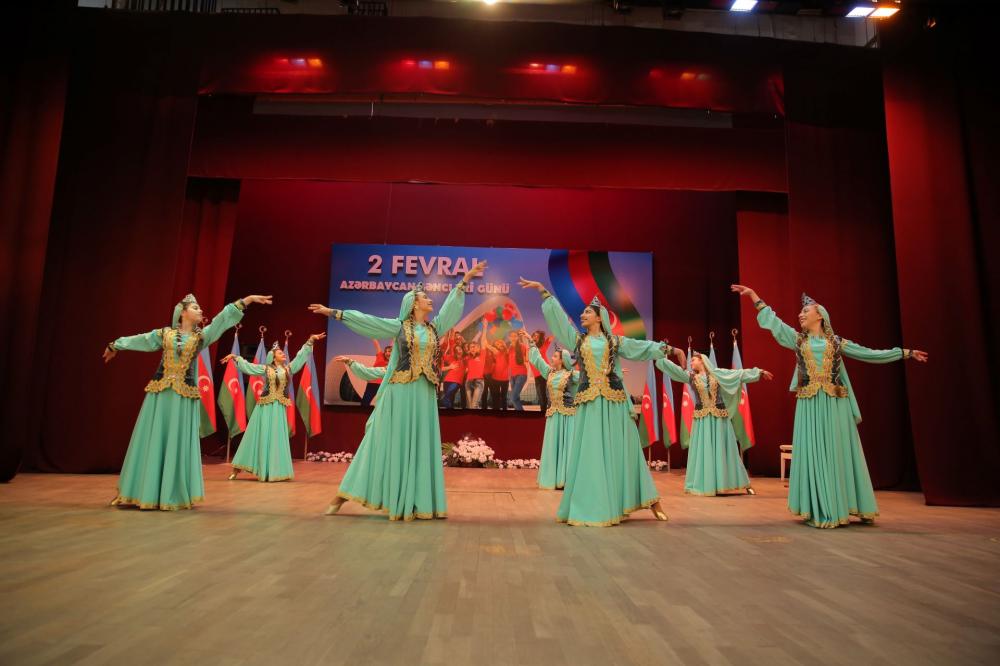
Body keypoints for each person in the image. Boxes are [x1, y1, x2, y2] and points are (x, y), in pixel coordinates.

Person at [732, 285, 928, 528]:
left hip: (835, 404)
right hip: (809, 405)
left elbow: (869, 354)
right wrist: (754, 297)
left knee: (836, 451)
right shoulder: (798, 340)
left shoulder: (836, 342)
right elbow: (775, 324)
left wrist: (905, 353)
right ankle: (821, 507)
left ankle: (843, 504)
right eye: (800, 312)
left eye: (805, 311)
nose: (800, 315)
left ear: (820, 316)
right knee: (813, 451)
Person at [309, 262, 486, 520]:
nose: (429, 299)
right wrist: (335, 313)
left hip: (424, 395)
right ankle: (343, 495)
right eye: (425, 297)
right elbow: (369, 322)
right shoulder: (399, 327)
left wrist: (465, 279)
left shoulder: (434, 328)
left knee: (420, 446)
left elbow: (451, 309)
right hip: (400, 393)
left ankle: (417, 502)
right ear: (414, 304)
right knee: (382, 442)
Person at [519, 278, 669, 526]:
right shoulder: (578, 341)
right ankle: (595, 503)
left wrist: (665, 349)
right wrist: (544, 293)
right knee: (590, 450)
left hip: (614, 402)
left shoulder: (614, 342)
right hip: (590, 403)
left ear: (600, 318)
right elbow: (560, 323)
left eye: (587, 312)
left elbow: (639, 348)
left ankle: (650, 499)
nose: (582, 315)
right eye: (583, 312)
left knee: (626, 449)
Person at [103, 293, 272, 510]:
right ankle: (136, 490)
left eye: (199, 308)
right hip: (160, 395)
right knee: (152, 438)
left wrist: (247, 300)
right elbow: (142, 340)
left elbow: (222, 320)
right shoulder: (165, 334)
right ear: (182, 313)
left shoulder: (201, 337)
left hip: (183, 398)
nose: (200, 310)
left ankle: (171, 492)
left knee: (176, 439)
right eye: (195, 307)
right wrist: (116, 345)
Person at [657, 348, 772, 496]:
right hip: (702, 420)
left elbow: (739, 374)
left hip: (719, 419)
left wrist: (759, 372)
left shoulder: (717, 374)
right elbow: (673, 370)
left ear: (702, 360)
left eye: (694, 359)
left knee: (725, 450)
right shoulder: (691, 377)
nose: (691, 362)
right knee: (704, 450)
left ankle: (739, 483)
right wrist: (659, 355)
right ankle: (707, 484)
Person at [223, 333, 325, 481]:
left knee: (276, 438)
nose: (283, 354)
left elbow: (300, 357)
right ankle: (237, 469)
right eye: (280, 353)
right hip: (264, 408)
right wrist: (236, 357)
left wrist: (310, 341)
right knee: (256, 436)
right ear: (273, 357)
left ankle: (273, 470)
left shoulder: (288, 369)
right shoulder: (266, 368)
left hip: (279, 409)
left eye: (282, 352)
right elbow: (249, 367)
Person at [523, 330, 579, 490]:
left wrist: (610, 375)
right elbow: (537, 360)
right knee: (552, 446)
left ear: (562, 360)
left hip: (568, 416)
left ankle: (566, 480)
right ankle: (552, 478)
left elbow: (591, 379)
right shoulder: (549, 373)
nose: (552, 358)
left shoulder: (572, 375)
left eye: (555, 356)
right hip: (554, 415)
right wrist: (530, 341)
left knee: (567, 447)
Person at [464, 319, 489, 409]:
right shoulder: (468, 357)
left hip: (479, 381)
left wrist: (485, 327)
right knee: (469, 406)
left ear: (479, 348)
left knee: (474, 405)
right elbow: (472, 342)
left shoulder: (482, 354)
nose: (473, 348)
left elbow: (482, 341)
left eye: (475, 347)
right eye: (471, 347)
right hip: (468, 382)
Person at [360, 340, 391, 407]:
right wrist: (373, 335)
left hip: (384, 385)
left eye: (389, 351)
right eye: (386, 351)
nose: (387, 353)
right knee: (365, 402)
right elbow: (376, 343)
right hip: (373, 383)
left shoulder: (393, 361)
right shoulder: (380, 356)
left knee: (385, 403)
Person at [530, 330, 553, 413]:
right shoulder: (530, 348)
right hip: (537, 375)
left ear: (540, 338)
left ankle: (551, 412)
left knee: (550, 394)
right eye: (534, 335)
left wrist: (562, 325)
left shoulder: (544, 345)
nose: (535, 337)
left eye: (538, 336)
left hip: (546, 373)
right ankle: (543, 414)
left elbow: (553, 335)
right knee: (541, 396)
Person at [507, 330, 530, 410]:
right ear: (509, 337)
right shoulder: (509, 348)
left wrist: (527, 352)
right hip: (512, 375)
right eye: (511, 336)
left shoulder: (522, 346)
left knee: (513, 398)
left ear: (518, 337)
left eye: (515, 336)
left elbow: (527, 359)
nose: (513, 338)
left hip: (521, 374)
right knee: (516, 398)